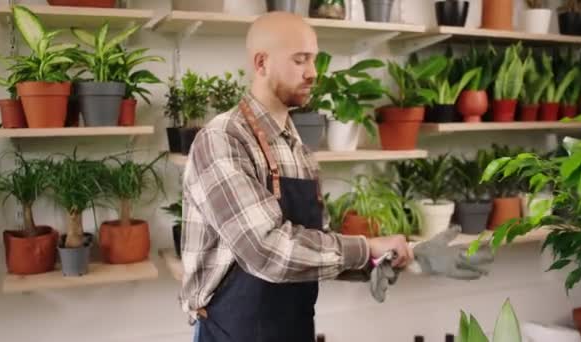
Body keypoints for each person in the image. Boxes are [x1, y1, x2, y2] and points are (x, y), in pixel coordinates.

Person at [180, 11, 493, 342]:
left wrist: (391, 257)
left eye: (313, 60)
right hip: (233, 333)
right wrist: (366, 246)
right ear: (261, 64)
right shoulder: (223, 139)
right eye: (300, 60)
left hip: (293, 330)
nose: (312, 73)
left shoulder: (297, 148)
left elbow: (312, 243)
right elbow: (265, 250)